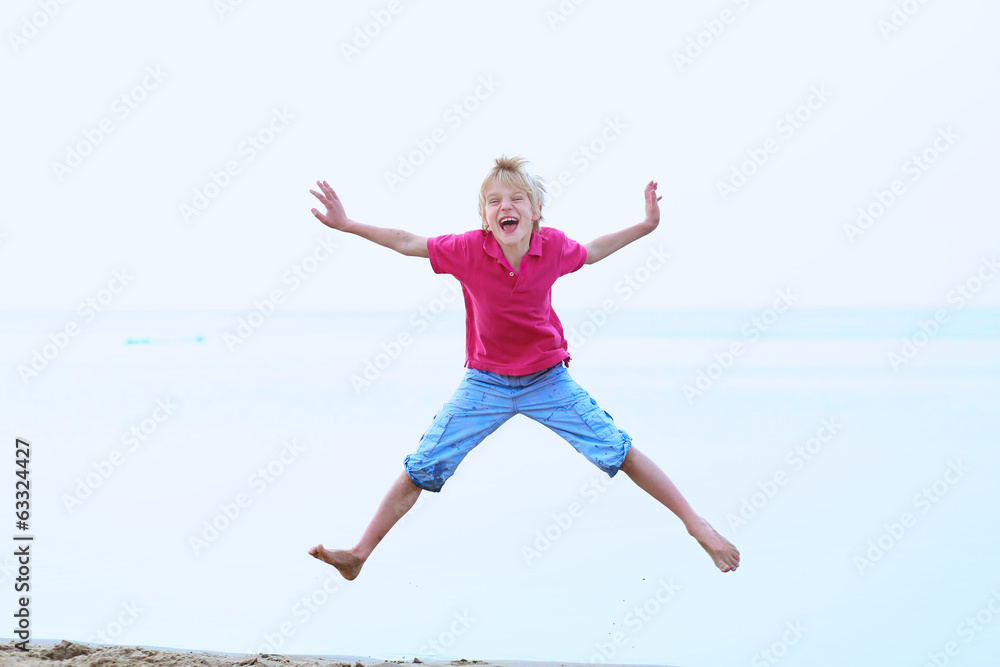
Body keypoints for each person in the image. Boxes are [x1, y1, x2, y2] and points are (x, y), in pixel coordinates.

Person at [307, 156, 739, 579]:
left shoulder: (551, 247)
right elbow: (407, 242)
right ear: (484, 217)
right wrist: (348, 224)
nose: (505, 207)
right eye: (494, 201)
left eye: (516, 199)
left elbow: (592, 252)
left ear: (535, 213)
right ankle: (359, 554)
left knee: (618, 450)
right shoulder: (467, 249)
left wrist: (645, 226)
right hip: (486, 381)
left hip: (547, 379)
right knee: (421, 467)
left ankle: (697, 526)